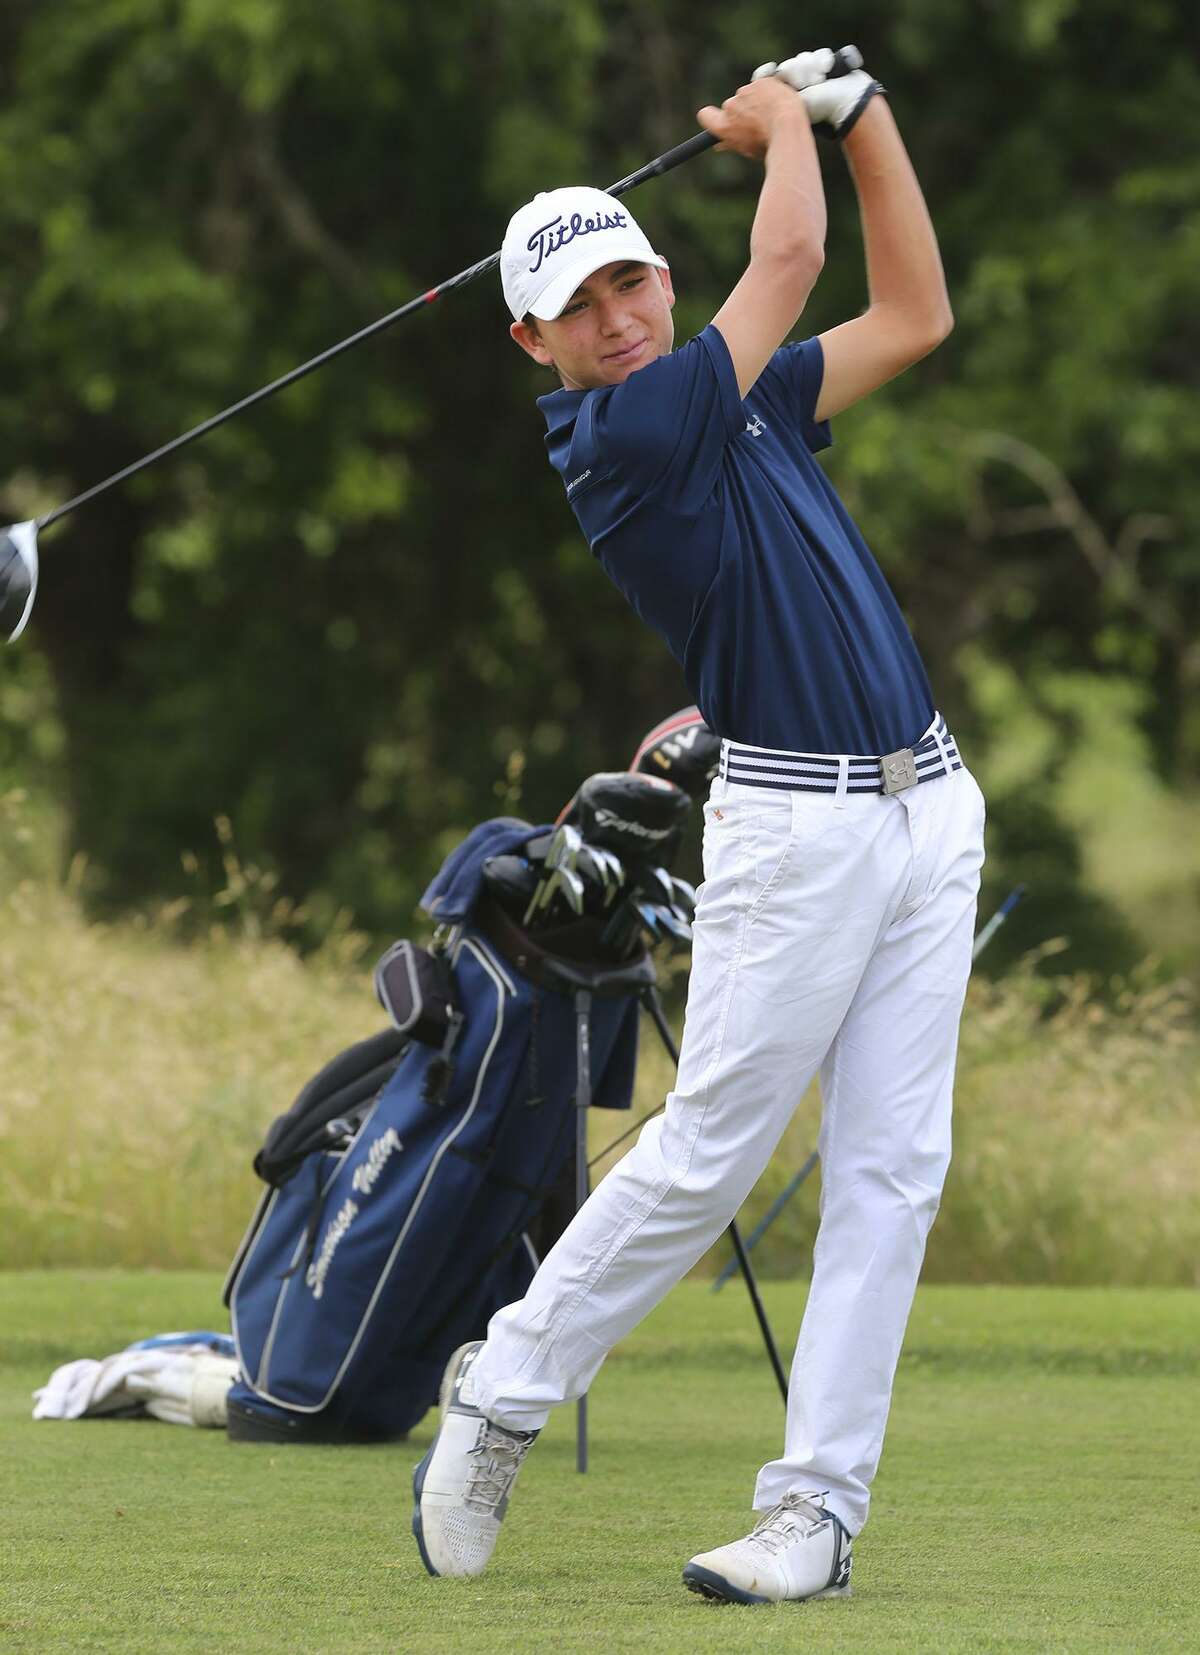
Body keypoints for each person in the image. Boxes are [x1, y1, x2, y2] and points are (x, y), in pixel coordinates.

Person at [412, 49, 985, 1605]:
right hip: (796, 834)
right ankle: (508, 1385)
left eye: (636, 279)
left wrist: (866, 126)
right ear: (534, 336)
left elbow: (917, 312)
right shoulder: (629, 440)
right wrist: (787, 127)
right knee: (714, 1149)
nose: (622, 313)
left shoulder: (740, 403)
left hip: (929, 806)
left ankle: (812, 1515)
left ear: (663, 279)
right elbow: (790, 255)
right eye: (584, 303)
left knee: (890, 1172)